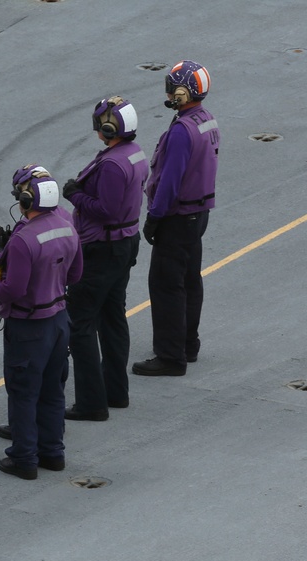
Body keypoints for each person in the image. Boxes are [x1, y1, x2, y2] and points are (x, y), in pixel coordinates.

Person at [0, 165, 83, 480]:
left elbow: (13, 290)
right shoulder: (68, 226)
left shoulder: (23, 239)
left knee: (23, 392)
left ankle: (24, 458)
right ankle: (53, 453)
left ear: (27, 201)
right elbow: (76, 274)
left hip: (29, 327)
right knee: (53, 390)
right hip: (58, 320)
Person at [62, 96, 150, 420]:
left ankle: (91, 403)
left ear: (109, 127)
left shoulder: (112, 164)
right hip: (124, 245)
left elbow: (106, 210)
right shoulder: (133, 153)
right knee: (112, 318)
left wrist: (75, 194)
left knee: (80, 323)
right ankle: (116, 391)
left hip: (102, 250)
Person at [133, 60, 219, 377]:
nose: (169, 91)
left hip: (177, 216)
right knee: (189, 280)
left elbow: (169, 180)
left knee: (166, 284)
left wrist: (154, 217)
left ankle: (170, 356)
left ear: (183, 92)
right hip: (199, 214)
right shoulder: (206, 120)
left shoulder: (182, 131)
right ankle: (187, 343)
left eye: (172, 86)